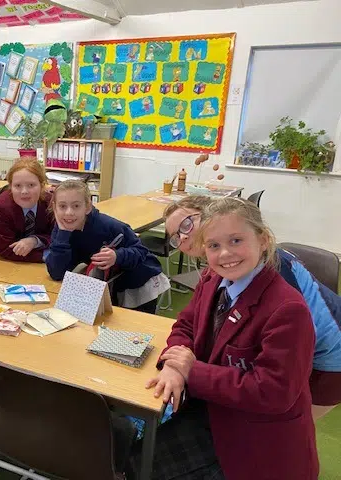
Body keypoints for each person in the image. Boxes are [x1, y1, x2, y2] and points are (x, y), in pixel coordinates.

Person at [138, 197, 318, 480]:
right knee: (137, 460)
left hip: (254, 441)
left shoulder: (287, 309)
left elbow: (273, 392)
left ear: (263, 239)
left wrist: (191, 370)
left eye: (236, 240)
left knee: (145, 466)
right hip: (211, 413)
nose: (225, 254)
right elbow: (185, 325)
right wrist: (174, 363)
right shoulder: (213, 279)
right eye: (214, 246)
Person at [164, 195, 341, 420]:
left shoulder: (273, 277)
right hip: (299, 352)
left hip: (330, 355)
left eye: (187, 223)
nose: (184, 236)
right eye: (176, 236)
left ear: (207, 212)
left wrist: (198, 370)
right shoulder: (219, 272)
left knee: (289, 424)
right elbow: (192, 321)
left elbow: (277, 380)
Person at [45, 180, 167, 313]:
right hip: (110, 282)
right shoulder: (61, 229)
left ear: (87, 207)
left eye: (76, 206)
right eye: (62, 206)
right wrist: (63, 235)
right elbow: (56, 273)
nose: (69, 212)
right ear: (54, 207)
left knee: (136, 325)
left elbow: (141, 251)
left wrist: (117, 256)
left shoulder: (107, 225)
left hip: (140, 280)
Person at [0, 157, 54, 263]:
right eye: (17, 186)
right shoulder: (0, 207)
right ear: (10, 187)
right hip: (11, 263)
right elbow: (5, 248)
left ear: (42, 186)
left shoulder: (51, 204)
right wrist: (45, 256)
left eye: (31, 185)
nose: (24, 191)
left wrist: (35, 241)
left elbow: (58, 237)